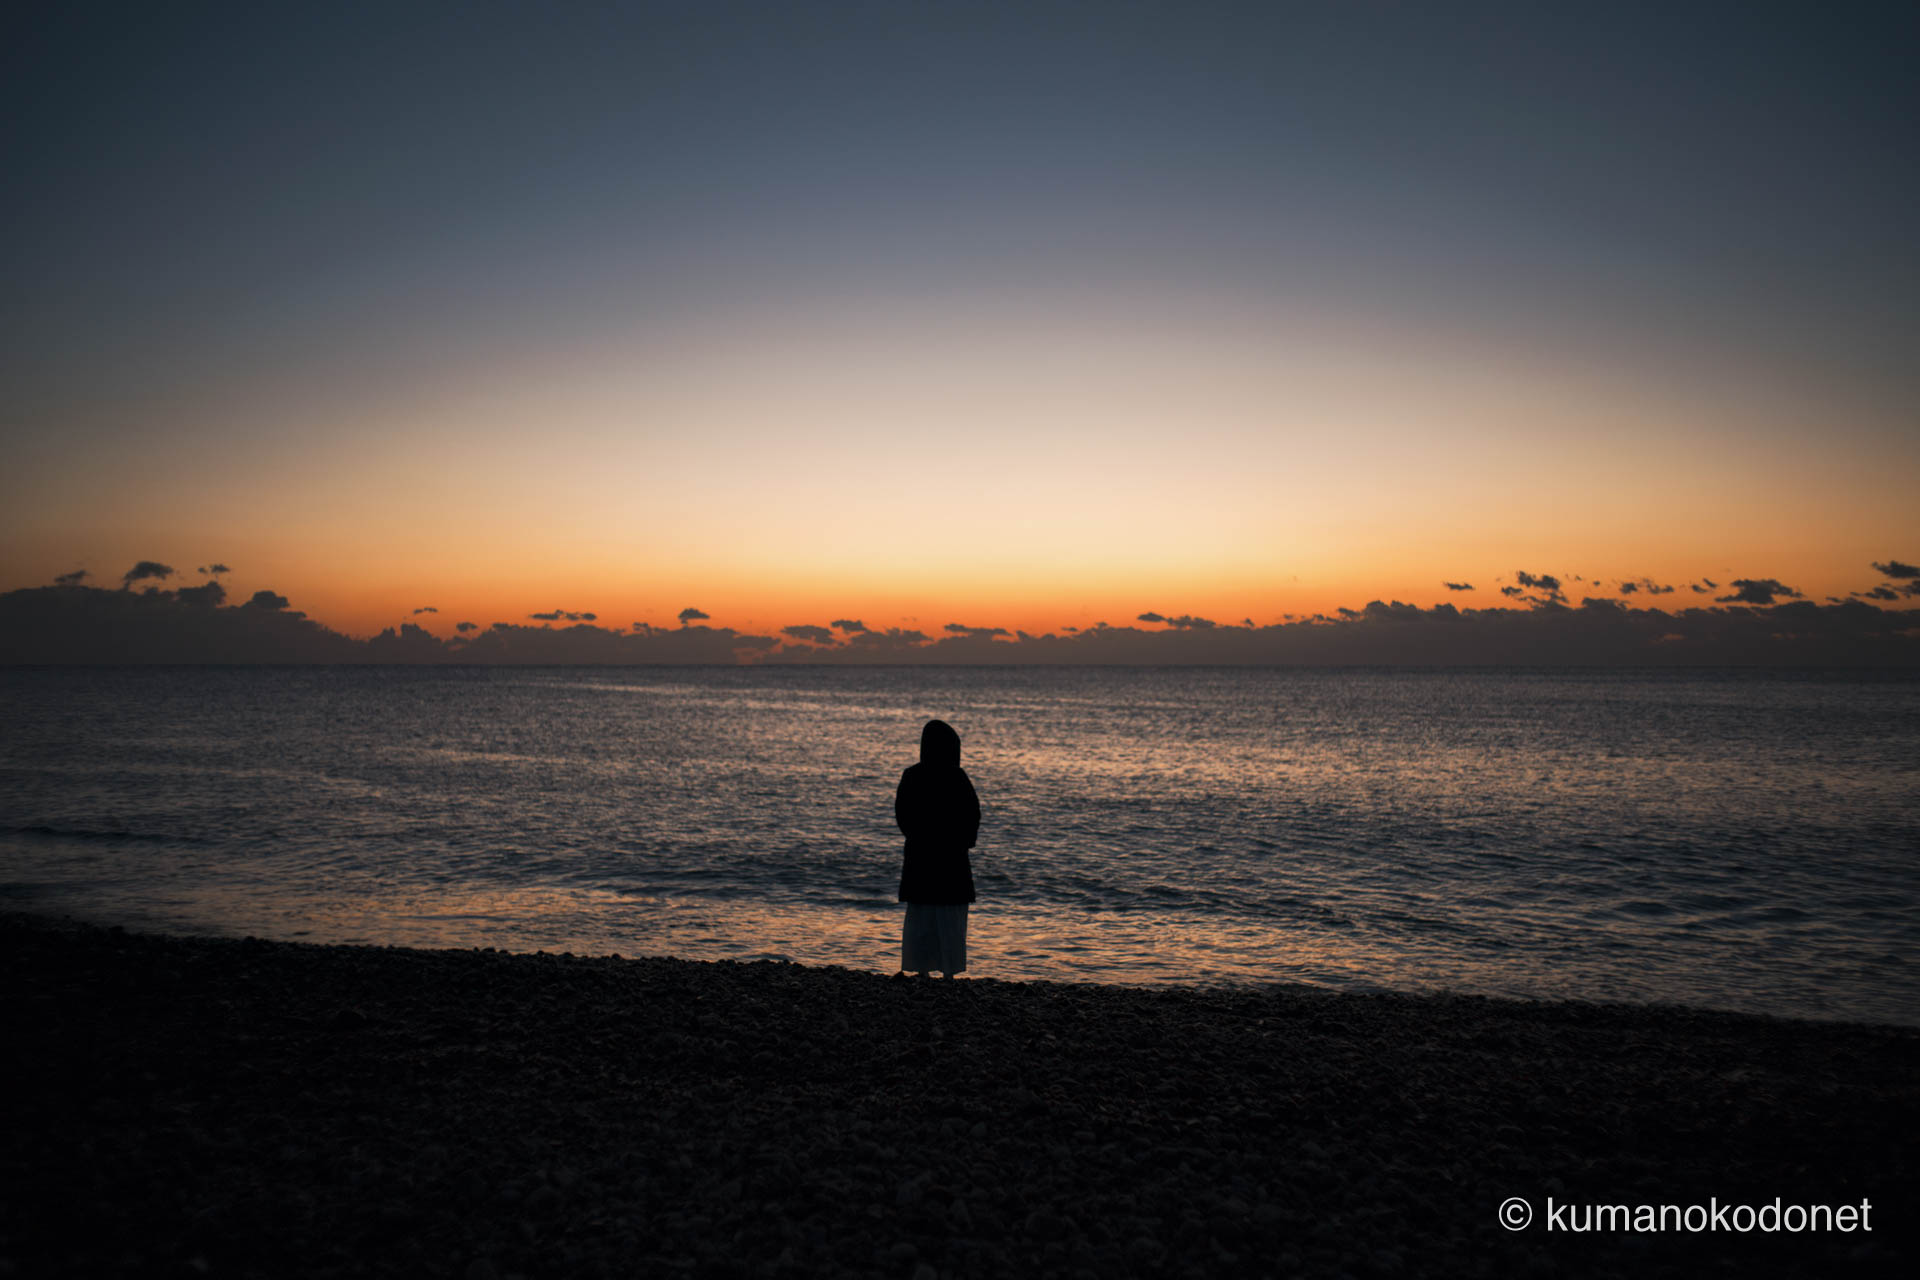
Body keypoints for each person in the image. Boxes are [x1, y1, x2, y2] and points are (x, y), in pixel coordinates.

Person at [894, 718, 980, 978]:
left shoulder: (913, 775)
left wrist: (917, 837)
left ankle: (921, 970)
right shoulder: (957, 777)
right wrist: (962, 842)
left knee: (922, 919)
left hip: (921, 859)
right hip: (951, 862)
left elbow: (903, 815)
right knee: (948, 921)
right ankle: (948, 973)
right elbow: (972, 814)